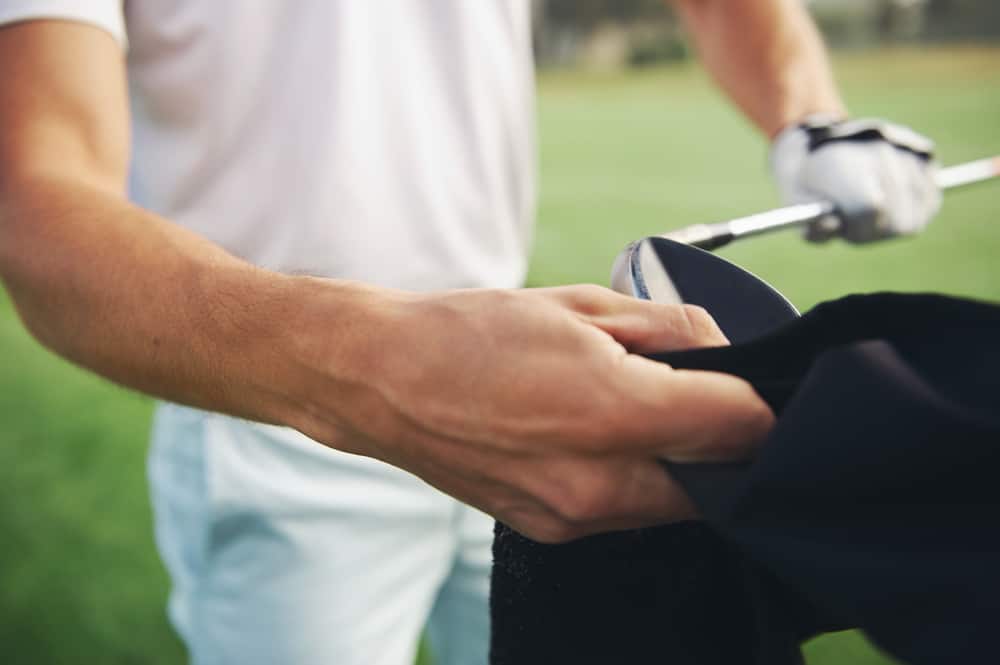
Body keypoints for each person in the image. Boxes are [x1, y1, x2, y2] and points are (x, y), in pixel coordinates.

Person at [0, 1, 939, 664]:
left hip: (522, 369)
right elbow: (40, 201)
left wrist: (807, 117)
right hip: (274, 413)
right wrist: (382, 363)